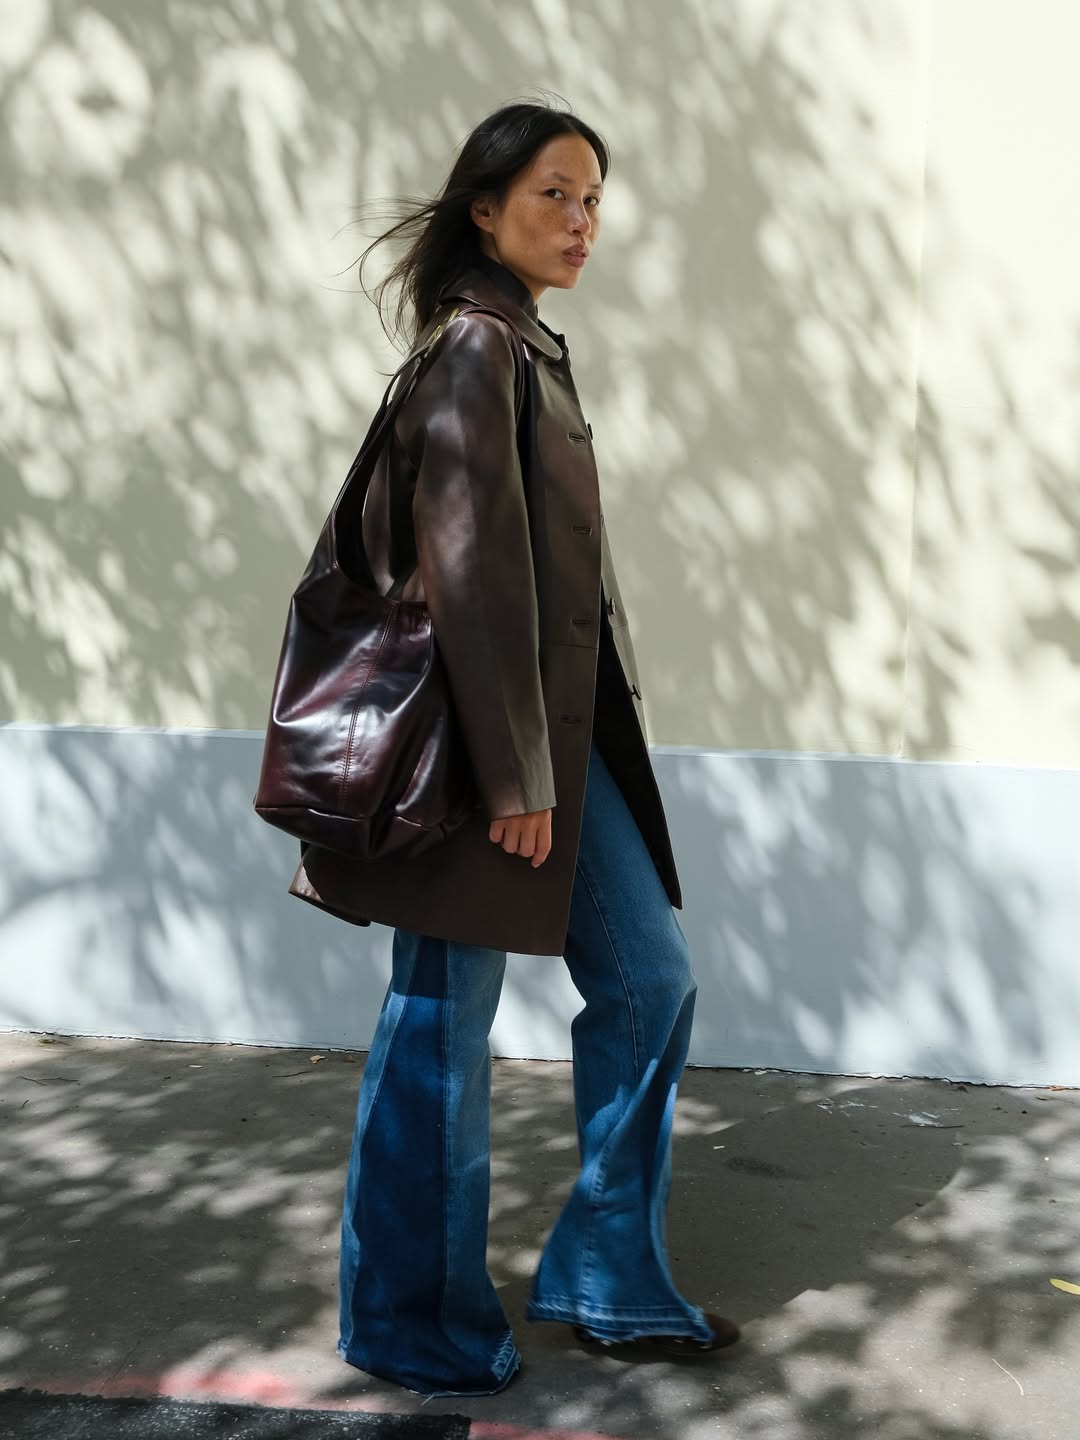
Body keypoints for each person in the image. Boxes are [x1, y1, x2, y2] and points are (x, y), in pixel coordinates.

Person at [289, 100, 740, 1398]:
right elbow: (472, 576)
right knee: (443, 1019)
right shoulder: (475, 352)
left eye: (595, 198)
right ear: (484, 208)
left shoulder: (526, 344)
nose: (583, 220)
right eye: (556, 193)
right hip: (480, 753)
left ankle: (605, 1268)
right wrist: (512, 777)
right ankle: (406, 1315)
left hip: (553, 740)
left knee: (649, 979)